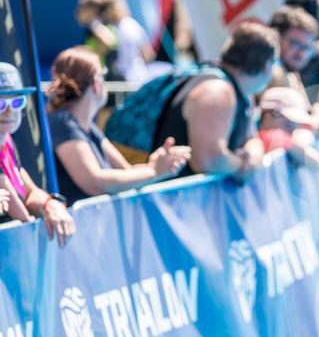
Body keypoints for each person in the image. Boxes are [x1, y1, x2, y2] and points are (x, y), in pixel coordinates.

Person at [46, 47, 191, 205]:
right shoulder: (62, 122)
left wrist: (158, 163)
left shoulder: (87, 126)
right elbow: (94, 182)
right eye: (103, 74)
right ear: (96, 84)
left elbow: (126, 172)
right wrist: (154, 171)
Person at [153, 21, 276, 180]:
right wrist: (243, 165)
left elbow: (251, 138)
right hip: (172, 193)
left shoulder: (243, 92)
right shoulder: (217, 92)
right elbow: (209, 161)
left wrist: (252, 158)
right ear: (267, 66)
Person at [0, 62, 76, 245]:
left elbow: (30, 192)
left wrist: (50, 204)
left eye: (17, 102)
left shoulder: (7, 142)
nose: (9, 111)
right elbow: (22, 216)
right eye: (0, 104)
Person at [269, 6, 319, 143]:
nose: (301, 53)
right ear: (276, 38)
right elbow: (294, 128)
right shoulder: (273, 73)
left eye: (307, 48)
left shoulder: (292, 74)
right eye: (295, 44)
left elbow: (306, 114)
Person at [258, 87, 319, 169]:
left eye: (296, 123)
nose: (293, 129)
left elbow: (317, 164)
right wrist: (296, 144)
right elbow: (316, 163)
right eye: (289, 123)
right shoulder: (274, 137)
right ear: (272, 113)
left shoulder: (281, 136)